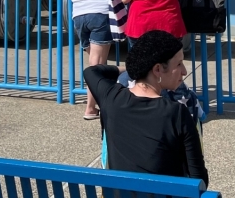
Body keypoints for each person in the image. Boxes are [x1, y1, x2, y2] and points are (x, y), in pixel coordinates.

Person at [84, 30, 208, 184]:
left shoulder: (111, 98)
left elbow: (91, 71)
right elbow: (199, 181)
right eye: (178, 64)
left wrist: (134, 67)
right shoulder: (177, 113)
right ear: (157, 70)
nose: (184, 71)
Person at [67, 0, 117, 119]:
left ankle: (97, 99)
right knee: (98, 65)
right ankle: (90, 108)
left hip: (79, 16)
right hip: (99, 13)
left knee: (94, 61)